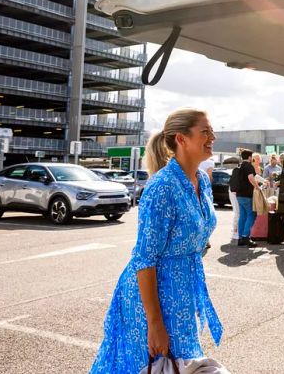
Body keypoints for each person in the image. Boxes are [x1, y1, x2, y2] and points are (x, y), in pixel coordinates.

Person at [90, 108, 223, 373]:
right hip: (152, 298)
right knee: (151, 366)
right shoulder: (161, 187)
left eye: (212, 131)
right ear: (181, 139)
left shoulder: (202, 182)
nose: (212, 137)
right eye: (205, 131)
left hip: (183, 292)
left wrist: (196, 245)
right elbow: (144, 259)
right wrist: (155, 323)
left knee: (179, 366)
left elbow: (191, 233)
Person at [236, 149, 261, 247]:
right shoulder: (249, 166)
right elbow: (251, 177)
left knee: (243, 216)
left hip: (239, 195)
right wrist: (257, 187)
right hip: (247, 195)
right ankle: (246, 237)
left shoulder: (240, 166)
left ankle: (240, 238)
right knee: (252, 214)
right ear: (250, 157)